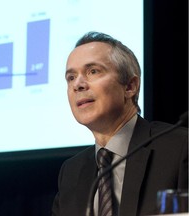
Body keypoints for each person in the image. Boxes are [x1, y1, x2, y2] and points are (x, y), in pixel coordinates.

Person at [51, 31, 188, 216]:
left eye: (93, 71)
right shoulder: (71, 173)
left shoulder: (179, 148)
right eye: (71, 77)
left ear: (130, 86)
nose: (78, 85)